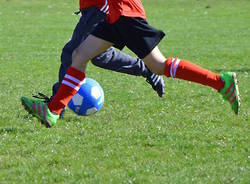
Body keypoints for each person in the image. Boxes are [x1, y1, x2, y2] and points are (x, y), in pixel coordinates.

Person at [21, 0, 241, 128]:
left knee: (159, 65)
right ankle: (52, 110)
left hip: (126, 13)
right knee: (79, 55)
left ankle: (221, 82)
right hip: (115, 16)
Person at [52, 0, 165, 118]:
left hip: (100, 6)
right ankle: (147, 68)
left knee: (72, 53)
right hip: (92, 6)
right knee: (98, 55)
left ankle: (55, 108)